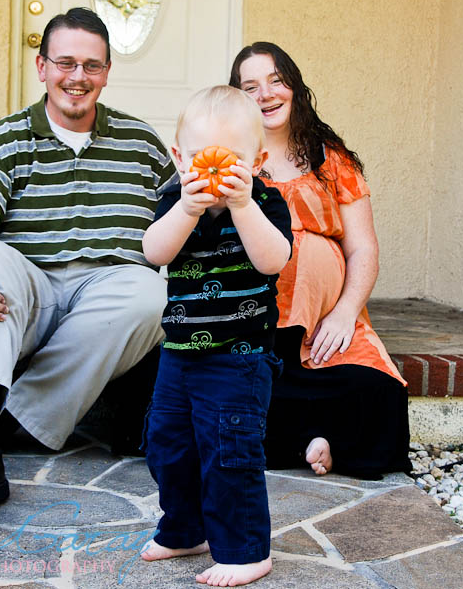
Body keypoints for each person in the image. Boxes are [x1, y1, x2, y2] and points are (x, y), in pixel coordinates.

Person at [0, 7, 176, 514]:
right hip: (27, 296)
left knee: (151, 290)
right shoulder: (5, 139)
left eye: (92, 66)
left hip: (106, 296)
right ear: (42, 67)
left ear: (106, 72)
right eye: (66, 63)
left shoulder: (142, 144)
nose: (78, 77)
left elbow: (177, 223)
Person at [229, 42, 411, 479]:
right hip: (256, 319)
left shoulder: (331, 158)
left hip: (328, 320)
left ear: (294, 86)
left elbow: (363, 248)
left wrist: (346, 313)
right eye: (250, 86)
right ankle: (315, 440)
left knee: (379, 389)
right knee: (239, 390)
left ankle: (314, 440)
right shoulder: (233, 158)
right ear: (237, 96)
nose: (267, 94)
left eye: (276, 80)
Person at [139, 86, 292, 586]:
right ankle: (185, 530)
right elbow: (155, 252)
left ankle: (246, 549)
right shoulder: (173, 201)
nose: (216, 173)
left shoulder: (266, 201)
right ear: (180, 157)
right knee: (169, 445)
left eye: (233, 161)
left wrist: (244, 205)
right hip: (180, 357)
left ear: (257, 161)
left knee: (230, 454)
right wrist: (185, 209)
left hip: (239, 360)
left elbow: (274, 260)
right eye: (203, 157)